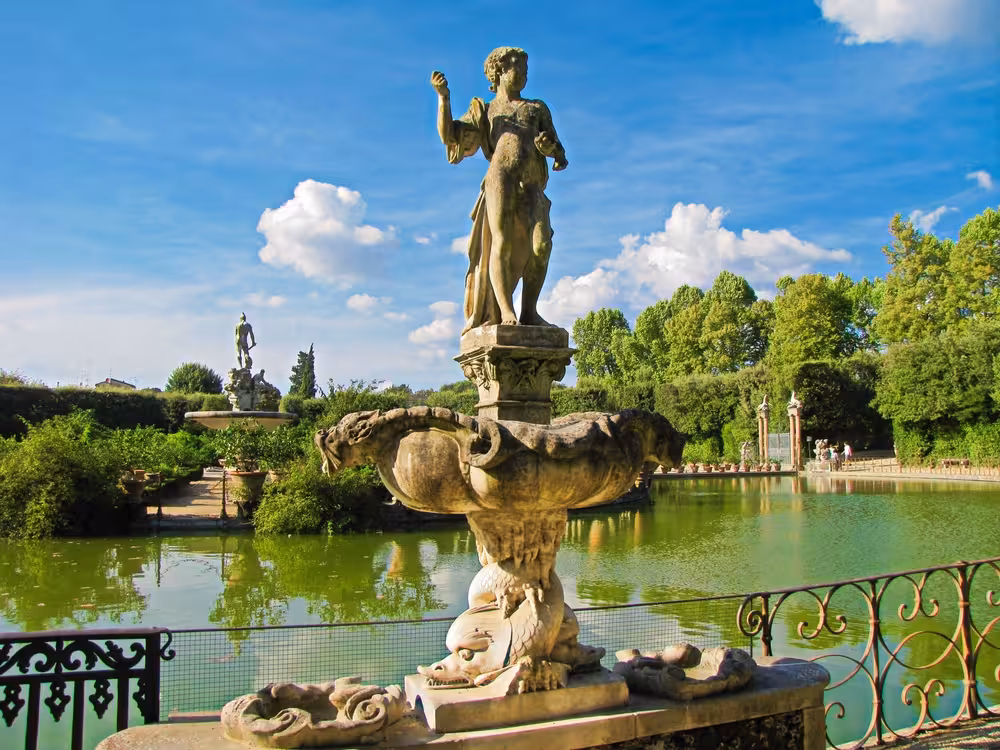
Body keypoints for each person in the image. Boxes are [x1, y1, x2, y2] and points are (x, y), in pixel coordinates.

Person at [431, 47, 568, 333]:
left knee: (542, 245)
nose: (525, 74)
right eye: (519, 68)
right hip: (500, 177)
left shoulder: (537, 108)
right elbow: (450, 135)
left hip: (532, 182)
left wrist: (551, 150)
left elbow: (560, 153)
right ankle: (506, 309)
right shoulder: (487, 109)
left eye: (527, 70)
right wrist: (443, 98)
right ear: (500, 71)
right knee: (500, 241)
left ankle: (529, 311)